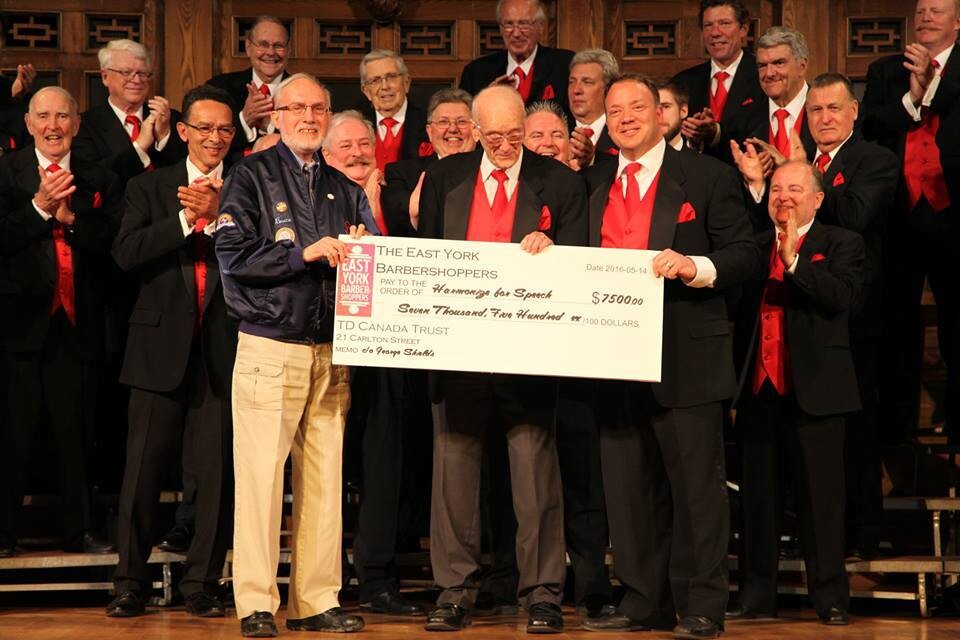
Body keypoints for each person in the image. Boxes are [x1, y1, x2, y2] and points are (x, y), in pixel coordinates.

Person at [580, 73, 759, 639]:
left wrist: (694, 266)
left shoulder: (707, 177)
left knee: (697, 494)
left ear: (663, 115)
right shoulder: (590, 181)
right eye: (616, 108)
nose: (627, 116)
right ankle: (642, 602)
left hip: (687, 356)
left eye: (639, 105)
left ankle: (702, 605)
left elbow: (746, 253)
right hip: (613, 358)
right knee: (628, 492)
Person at [417, 84, 588, 633]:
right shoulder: (444, 178)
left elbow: (582, 262)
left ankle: (541, 593)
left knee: (535, 478)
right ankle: (453, 591)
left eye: (515, 134)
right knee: (454, 475)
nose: (507, 144)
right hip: (459, 352)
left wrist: (553, 252)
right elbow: (428, 262)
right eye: (494, 136)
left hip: (529, 355)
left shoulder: (559, 182)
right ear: (473, 130)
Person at [216, 72, 375, 638]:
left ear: (328, 116)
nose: (309, 116)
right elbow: (231, 255)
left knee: (325, 478)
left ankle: (315, 600)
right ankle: (257, 602)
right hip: (269, 343)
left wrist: (364, 245)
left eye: (318, 108)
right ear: (276, 115)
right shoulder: (250, 174)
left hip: (332, 350)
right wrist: (300, 254)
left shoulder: (343, 186)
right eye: (297, 108)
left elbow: (373, 261)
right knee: (260, 479)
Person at [106, 85, 239, 619]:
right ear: (183, 132)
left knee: (216, 475)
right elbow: (126, 252)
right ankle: (129, 581)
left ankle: (202, 582)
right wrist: (190, 221)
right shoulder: (151, 187)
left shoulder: (246, 187)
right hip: (157, 346)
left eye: (225, 130)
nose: (214, 138)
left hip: (224, 348)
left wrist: (223, 209)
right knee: (141, 472)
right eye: (204, 128)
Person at [733, 160, 864, 625]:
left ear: (818, 199)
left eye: (793, 189)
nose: (783, 197)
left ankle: (830, 598)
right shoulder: (751, 246)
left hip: (818, 393)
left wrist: (793, 262)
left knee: (821, 502)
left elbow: (841, 297)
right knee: (758, 502)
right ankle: (756, 597)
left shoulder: (842, 243)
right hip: (759, 391)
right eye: (775, 189)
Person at [0, 87, 121, 557]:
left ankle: (80, 529)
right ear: (28, 124)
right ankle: (4, 531)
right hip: (18, 326)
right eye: (44, 117)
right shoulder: (5, 172)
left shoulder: (99, 178)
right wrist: (36, 209)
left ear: (76, 123)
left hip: (79, 325)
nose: (53, 126)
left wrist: (71, 219)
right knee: (11, 435)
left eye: (63, 117)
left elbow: (115, 246)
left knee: (76, 436)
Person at [319, 110, 424, 616]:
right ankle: (327, 582)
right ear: (325, 155)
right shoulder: (314, 199)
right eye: (346, 147)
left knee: (384, 465)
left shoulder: (401, 198)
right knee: (328, 467)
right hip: (327, 348)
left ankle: (380, 580)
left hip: (390, 353)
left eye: (366, 144)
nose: (359, 153)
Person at [523, 97, 616, 618]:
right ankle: (523, 582)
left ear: (572, 141)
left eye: (555, 136)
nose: (545, 146)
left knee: (584, 472)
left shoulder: (598, 185)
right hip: (524, 356)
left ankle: (593, 582)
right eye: (534, 137)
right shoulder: (510, 191)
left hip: (583, 355)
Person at [861, 0, 960, 444]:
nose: (925, 18)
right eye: (921, 11)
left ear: (957, 22)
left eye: (937, 11)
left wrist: (934, 85)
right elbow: (873, 126)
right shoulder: (886, 70)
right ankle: (895, 434)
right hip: (900, 213)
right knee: (896, 327)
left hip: (952, 214)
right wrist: (913, 97)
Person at [74, 39, 185, 183]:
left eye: (142, 73)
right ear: (105, 77)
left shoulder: (172, 119)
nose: (137, 80)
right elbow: (93, 178)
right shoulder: (84, 126)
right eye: (127, 72)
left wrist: (163, 136)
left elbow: (185, 171)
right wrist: (140, 147)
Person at [672, 1, 764, 156]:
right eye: (708, 25)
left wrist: (716, 133)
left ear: (743, 29)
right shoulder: (683, 82)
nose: (715, 33)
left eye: (724, 23)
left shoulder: (763, 77)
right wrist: (694, 138)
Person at [382, 88, 476, 236]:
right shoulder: (401, 174)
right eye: (443, 122)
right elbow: (397, 232)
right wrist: (415, 210)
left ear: (476, 130)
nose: (452, 129)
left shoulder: (492, 172)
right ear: (430, 132)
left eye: (462, 122)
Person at [726, 26, 816, 177]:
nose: (768, 73)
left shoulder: (829, 113)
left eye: (779, 63)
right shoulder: (743, 118)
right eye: (762, 66)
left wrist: (786, 167)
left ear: (802, 66)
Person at [459, 0, 574, 113]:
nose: (516, 34)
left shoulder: (566, 65)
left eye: (523, 24)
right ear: (500, 28)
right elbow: (464, 118)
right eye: (509, 24)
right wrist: (488, 97)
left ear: (541, 26)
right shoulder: (476, 72)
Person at [207, 16, 292, 158]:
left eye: (278, 45)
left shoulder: (304, 91)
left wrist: (270, 127)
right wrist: (244, 121)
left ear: (288, 50)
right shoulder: (218, 89)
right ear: (248, 47)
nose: (271, 53)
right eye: (263, 45)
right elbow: (206, 143)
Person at [358, 50, 430, 173]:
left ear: (406, 83)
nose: (385, 86)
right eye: (375, 80)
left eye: (391, 77)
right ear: (366, 91)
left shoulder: (429, 123)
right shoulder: (357, 126)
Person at [567, 49, 620, 165]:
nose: (576, 90)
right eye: (572, 82)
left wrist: (592, 159)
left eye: (587, 82)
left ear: (608, 89)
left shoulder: (623, 132)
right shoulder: (558, 131)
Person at [523, 101, 573, 167]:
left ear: (570, 148)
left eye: (557, 136)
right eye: (537, 136)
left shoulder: (583, 177)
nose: (548, 143)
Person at [659, 81, 690, 151]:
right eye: (653, 107)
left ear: (683, 111)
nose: (658, 113)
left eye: (666, 106)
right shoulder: (632, 160)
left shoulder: (704, 162)